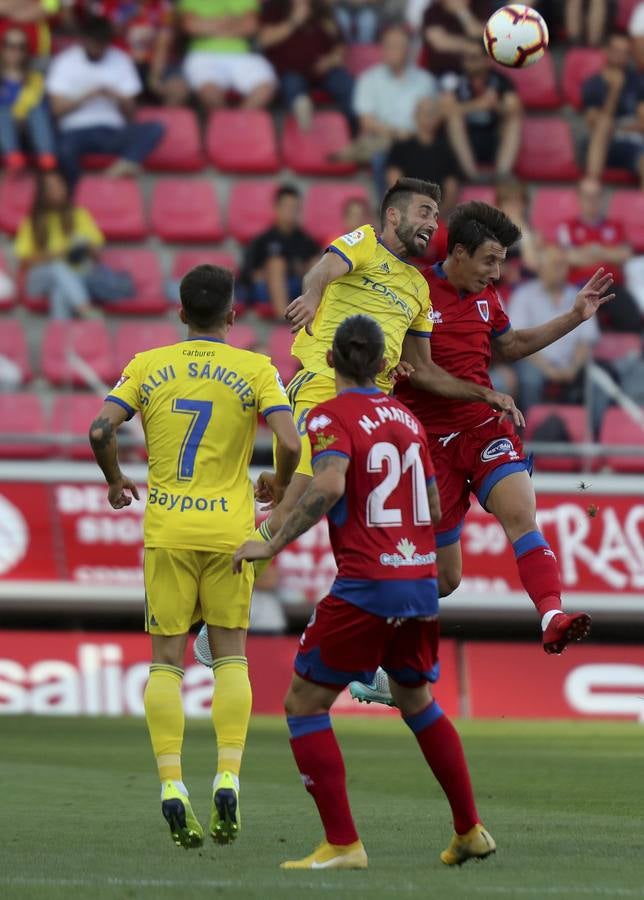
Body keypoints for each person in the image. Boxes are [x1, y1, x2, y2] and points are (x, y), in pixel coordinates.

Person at [193, 179, 522, 660]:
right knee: (299, 503)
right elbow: (322, 271)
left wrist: (476, 391)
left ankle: (365, 646)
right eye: (425, 212)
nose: (433, 223)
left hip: (378, 407)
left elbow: (426, 368)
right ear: (394, 216)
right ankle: (221, 609)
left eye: (436, 215)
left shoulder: (416, 288)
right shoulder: (363, 241)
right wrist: (310, 296)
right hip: (325, 388)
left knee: (412, 556)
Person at [233, 314, 496, 870]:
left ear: (330, 361)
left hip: (367, 585)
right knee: (416, 700)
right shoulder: (406, 416)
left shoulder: (329, 415)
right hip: (419, 581)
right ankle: (469, 829)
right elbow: (429, 494)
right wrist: (418, 556)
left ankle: (343, 844)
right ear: (383, 364)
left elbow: (327, 485)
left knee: (304, 704)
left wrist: (272, 540)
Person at [350, 202, 614, 707]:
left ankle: (551, 614)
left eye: (501, 263)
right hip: (427, 448)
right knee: (446, 579)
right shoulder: (414, 291)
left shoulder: (486, 296)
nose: (496, 273)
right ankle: (370, 649)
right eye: (489, 261)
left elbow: (509, 346)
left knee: (520, 511)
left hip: (482, 429)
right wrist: (479, 392)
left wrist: (575, 317)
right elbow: (421, 372)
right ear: (459, 253)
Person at [88, 263, 301, 849]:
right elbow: (288, 440)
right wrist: (279, 489)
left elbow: (101, 429)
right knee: (231, 658)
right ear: (233, 316)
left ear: (181, 314)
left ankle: (171, 786)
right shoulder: (255, 367)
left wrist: (114, 480)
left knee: (166, 663)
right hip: (232, 534)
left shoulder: (147, 366)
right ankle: (228, 776)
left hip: (169, 530)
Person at [47, 15, 164, 185]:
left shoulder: (122, 60)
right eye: (94, 43)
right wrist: (88, 95)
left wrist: (115, 96)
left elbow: (131, 115)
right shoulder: (65, 61)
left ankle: (123, 166)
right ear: (84, 39)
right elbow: (56, 110)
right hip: (75, 130)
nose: (98, 49)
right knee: (63, 150)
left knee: (155, 128)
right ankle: (74, 195)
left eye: (102, 44)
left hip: (111, 131)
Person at [342, 24, 437, 195]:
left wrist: (413, 135)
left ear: (409, 50)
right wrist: (396, 133)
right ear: (382, 49)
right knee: (382, 157)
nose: (393, 50)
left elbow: (432, 116)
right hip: (385, 139)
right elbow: (366, 121)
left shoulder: (425, 80)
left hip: (417, 139)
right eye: (389, 46)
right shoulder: (368, 79)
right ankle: (385, 209)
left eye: (399, 46)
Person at [510, 244, 600, 417]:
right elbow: (518, 340)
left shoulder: (579, 296)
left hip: (573, 366)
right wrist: (548, 370)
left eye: (563, 265)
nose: (561, 270)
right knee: (530, 378)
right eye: (555, 265)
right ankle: (530, 429)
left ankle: (590, 436)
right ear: (541, 268)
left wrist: (573, 368)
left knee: (596, 380)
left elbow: (586, 342)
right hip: (536, 363)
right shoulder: (524, 296)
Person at [14, 169, 106, 319]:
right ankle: (85, 308)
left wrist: (84, 247)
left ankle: (60, 334)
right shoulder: (32, 222)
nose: (57, 191)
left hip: (75, 275)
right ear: (42, 193)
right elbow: (24, 262)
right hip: (38, 281)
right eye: (51, 188)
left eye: (60, 185)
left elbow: (97, 252)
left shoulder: (79, 214)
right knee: (58, 267)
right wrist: (59, 254)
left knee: (60, 290)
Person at [556, 177, 639, 333]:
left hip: (611, 286)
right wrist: (608, 253)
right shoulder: (568, 227)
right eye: (587, 196)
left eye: (596, 195)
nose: (592, 201)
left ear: (603, 198)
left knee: (633, 321)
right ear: (579, 198)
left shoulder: (615, 225)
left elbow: (626, 254)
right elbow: (568, 257)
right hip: (578, 288)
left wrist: (594, 251)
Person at [258, 0, 354, 130]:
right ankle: (303, 123)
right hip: (290, 71)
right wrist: (294, 21)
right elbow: (264, 40)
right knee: (293, 86)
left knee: (347, 86)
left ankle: (353, 133)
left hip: (325, 70)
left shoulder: (321, 8)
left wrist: (331, 60)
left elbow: (340, 44)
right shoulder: (274, 7)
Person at [77, 0, 190, 106]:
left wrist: (155, 76)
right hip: (118, 64)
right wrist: (123, 21)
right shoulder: (111, 4)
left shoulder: (163, 6)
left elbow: (165, 41)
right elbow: (99, 34)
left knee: (178, 89)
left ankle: (162, 123)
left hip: (154, 64)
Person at [441, 40, 523, 182]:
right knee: (453, 120)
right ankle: (472, 176)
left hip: (493, 138)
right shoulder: (454, 79)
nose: (467, 62)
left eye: (473, 58)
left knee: (514, 119)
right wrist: (476, 105)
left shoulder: (500, 80)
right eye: (465, 57)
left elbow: (514, 108)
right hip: (467, 140)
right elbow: (444, 110)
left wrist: (496, 105)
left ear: (486, 60)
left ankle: (502, 175)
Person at [240, 185, 321, 318]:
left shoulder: (306, 240)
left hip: (299, 288)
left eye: (295, 208)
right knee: (276, 264)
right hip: (266, 291)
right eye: (287, 207)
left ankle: (313, 316)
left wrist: (301, 269)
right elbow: (247, 274)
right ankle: (284, 320)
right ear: (276, 208)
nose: (290, 211)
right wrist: (266, 273)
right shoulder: (262, 240)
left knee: (315, 261)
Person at [179, 0, 276, 111]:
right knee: (209, 92)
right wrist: (231, 23)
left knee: (266, 86)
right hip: (203, 55)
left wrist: (208, 25)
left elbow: (251, 26)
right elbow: (191, 26)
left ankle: (237, 121)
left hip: (242, 55)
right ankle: (223, 123)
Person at [582, 33, 644, 188]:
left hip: (633, 143)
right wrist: (614, 91)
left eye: (625, 52)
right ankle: (592, 185)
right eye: (616, 50)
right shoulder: (593, 84)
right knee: (604, 123)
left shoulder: (638, 82)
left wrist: (618, 127)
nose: (620, 56)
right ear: (606, 51)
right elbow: (594, 123)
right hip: (604, 145)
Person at [385, 96, 461, 210]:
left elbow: (451, 187)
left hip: (437, 213)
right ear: (415, 115)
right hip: (407, 212)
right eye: (425, 113)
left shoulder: (446, 150)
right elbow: (394, 182)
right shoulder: (400, 147)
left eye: (433, 113)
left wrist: (437, 214)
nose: (429, 118)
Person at [0, 26, 57, 172]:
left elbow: (37, 104)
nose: (16, 52)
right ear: (3, 49)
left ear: (27, 51)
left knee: (37, 111)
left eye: (21, 47)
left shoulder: (35, 78)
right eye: (11, 46)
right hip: (3, 133)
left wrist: (20, 116)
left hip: (30, 132)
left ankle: (46, 155)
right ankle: (12, 155)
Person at [421, 0, 487, 82]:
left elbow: (483, 35)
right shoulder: (433, 12)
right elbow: (439, 43)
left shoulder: (480, 6)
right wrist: (470, 47)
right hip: (442, 75)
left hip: (480, 73)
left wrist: (463, 13)